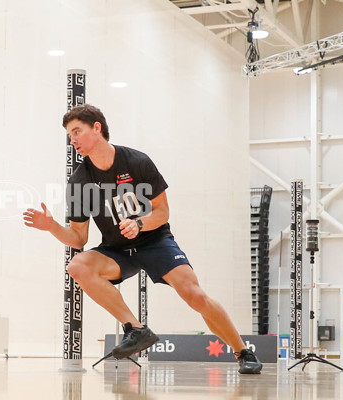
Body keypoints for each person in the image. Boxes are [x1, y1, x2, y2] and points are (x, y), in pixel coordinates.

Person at [23, 104, 262, 374]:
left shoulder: (136, 162)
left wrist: (139, 223)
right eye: (69, 134)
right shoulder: (80, 181)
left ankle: (243, 351)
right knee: (77, 265)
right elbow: (78, 239)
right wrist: (52, 225)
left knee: (195, 296)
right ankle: (135, 329)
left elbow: (162, 212)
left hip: (154, 241)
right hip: (116, 249)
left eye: (77, 131)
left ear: (97, 128)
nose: (72, 139)